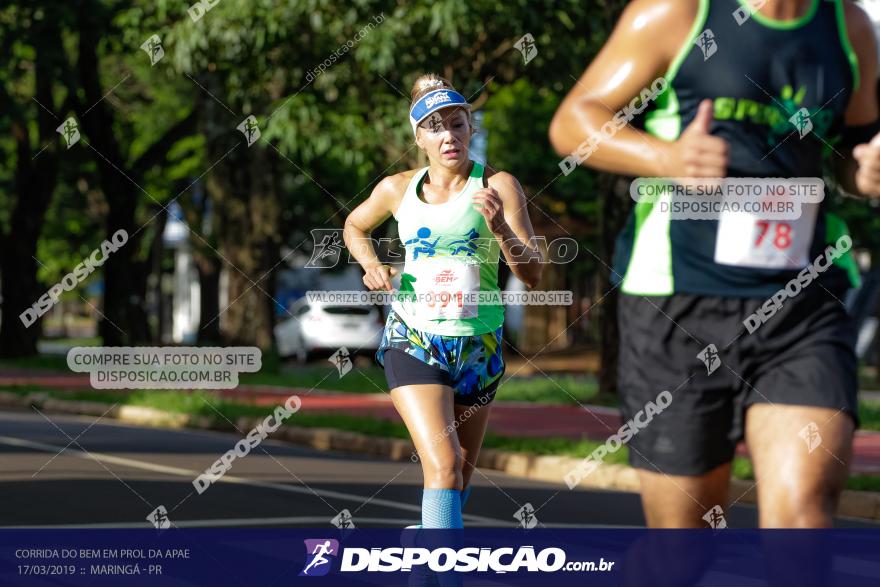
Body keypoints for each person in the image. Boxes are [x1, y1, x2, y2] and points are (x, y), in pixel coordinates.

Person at [549, 0, 880, 527]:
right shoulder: (675, 13)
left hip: (801, 306)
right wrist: (665, 157)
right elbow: (573, 123)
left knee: (804, 516)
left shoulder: (850, 26)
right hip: (676, 307)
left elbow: (850, 149)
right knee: (682, 554)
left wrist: (864, 170)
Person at [344, 74, 543, 529]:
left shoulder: (498, 185)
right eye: (435, 127)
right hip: (415, 338)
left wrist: (501, 231)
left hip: (480, 346)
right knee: (445, 466)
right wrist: (371, 264)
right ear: (419, 138)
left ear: (471, 129)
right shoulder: (397, 189)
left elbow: (532, 273)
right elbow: (354, 227)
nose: (448, 135)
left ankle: (428, 555)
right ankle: (442, 574)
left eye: (457, 124)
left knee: (459, 475)